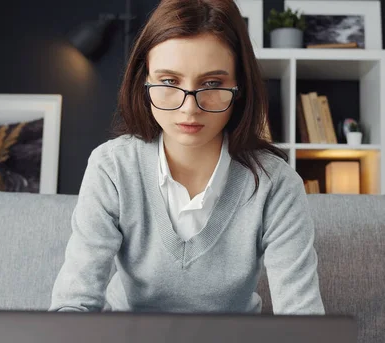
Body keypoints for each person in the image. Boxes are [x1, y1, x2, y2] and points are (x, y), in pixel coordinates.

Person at [49, 0, 325, 315]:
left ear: (240, 87)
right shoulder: (112, 167)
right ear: (145, 81)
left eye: (212, 83)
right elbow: (73, 305)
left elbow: (302, 318)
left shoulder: (276, 184)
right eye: (169, 82)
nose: (189, 108)